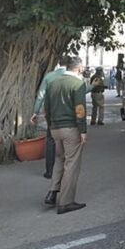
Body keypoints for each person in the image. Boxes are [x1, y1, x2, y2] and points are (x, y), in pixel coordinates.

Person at [44, 56, 88, 214]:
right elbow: (80, 108)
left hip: (55, 128)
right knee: (71, 163)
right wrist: (83, 130)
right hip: (71, 128)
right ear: (79, 67)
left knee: (59, 160)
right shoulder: (78, 83)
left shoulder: (53, 82)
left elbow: (46, 107)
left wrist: (50, 125)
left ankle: (52, 192)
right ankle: (66, 202)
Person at [32, 55, 69, 179]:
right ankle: (65, 172)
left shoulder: (49, 76)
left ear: (58, 63)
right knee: (68, 141)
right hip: (68, 112)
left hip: (51, 112)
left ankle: (49, 171)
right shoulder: (72, 77)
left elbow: (41, 95)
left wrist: (35, 111)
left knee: (50, 140)